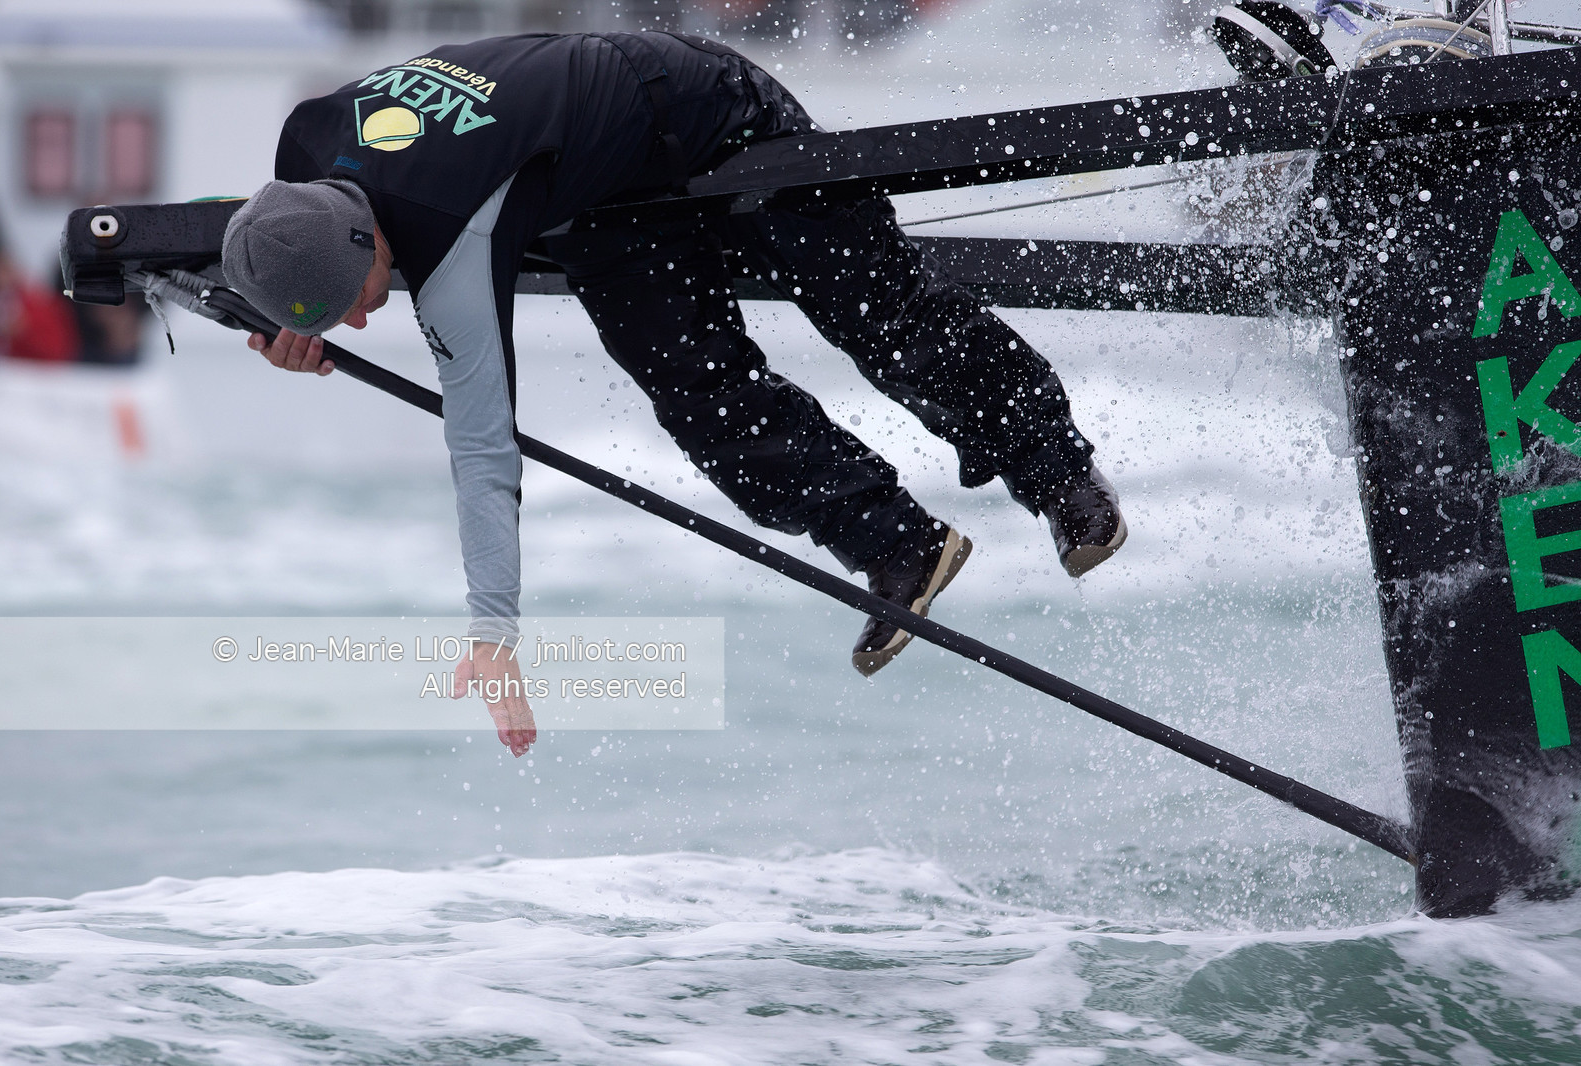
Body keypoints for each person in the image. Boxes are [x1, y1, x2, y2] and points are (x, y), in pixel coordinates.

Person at [223, 31, 1126, 754]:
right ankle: (899, 545)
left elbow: (482, 445)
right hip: (597, 200)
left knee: (879, 315)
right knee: (701, 399)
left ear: (365, 240)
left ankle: (1060, 476)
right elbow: (273, 253)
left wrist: (492, 633)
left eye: (357, 300)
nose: (361, 322)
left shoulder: (455, 235)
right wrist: (280, 327)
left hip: (706, 109)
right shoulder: (300, 164)